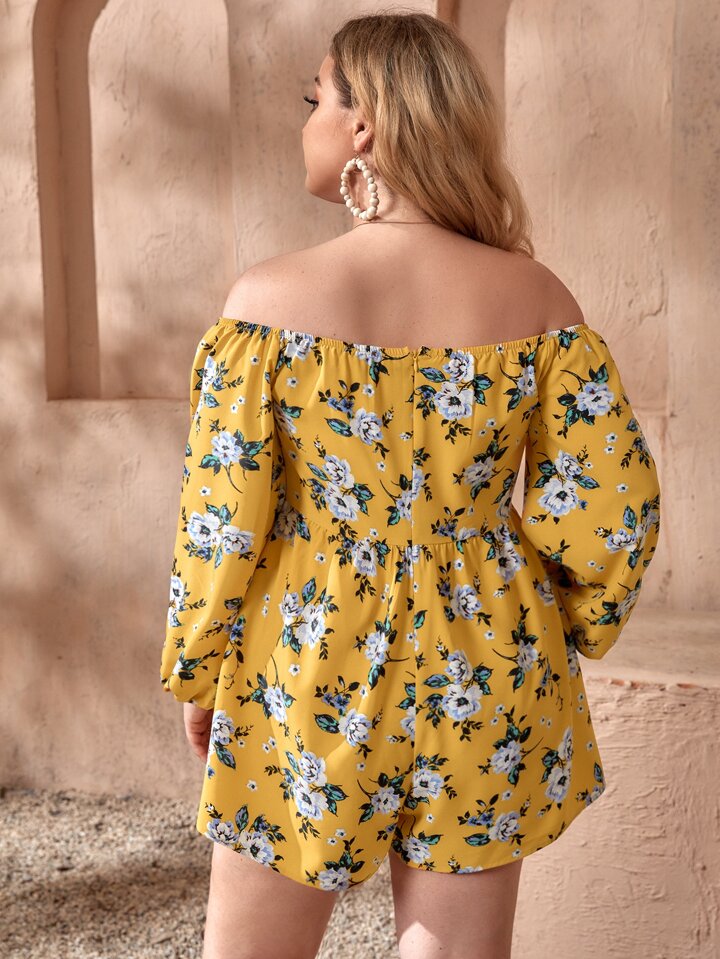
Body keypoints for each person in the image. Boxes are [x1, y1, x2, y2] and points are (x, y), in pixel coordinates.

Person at [159, 12, 662, 959]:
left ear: (363, 126)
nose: (304, 121)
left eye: (315, 98)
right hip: (489, 655)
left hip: (304, 657)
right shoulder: (541, 304)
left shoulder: (265, 306)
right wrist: (555, 623)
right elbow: (614, 513)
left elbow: (223, 521)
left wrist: (199, 665)